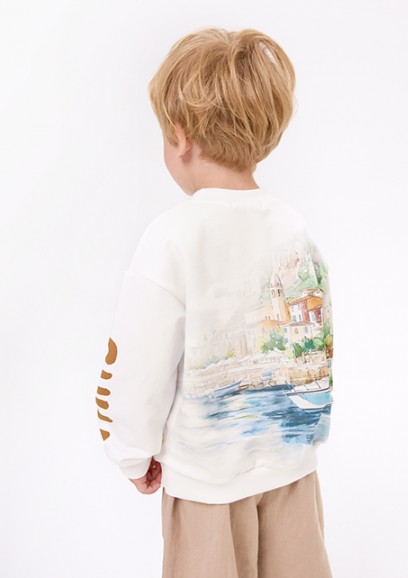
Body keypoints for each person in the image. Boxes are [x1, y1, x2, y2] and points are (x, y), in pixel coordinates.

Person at [95, 26, 334, 578]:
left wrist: (131, 452)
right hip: (294, 474)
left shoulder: (172, 238)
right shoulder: (296, 229)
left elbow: (138, 364)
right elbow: (314, 349)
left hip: (206, 486)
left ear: (179, 136)